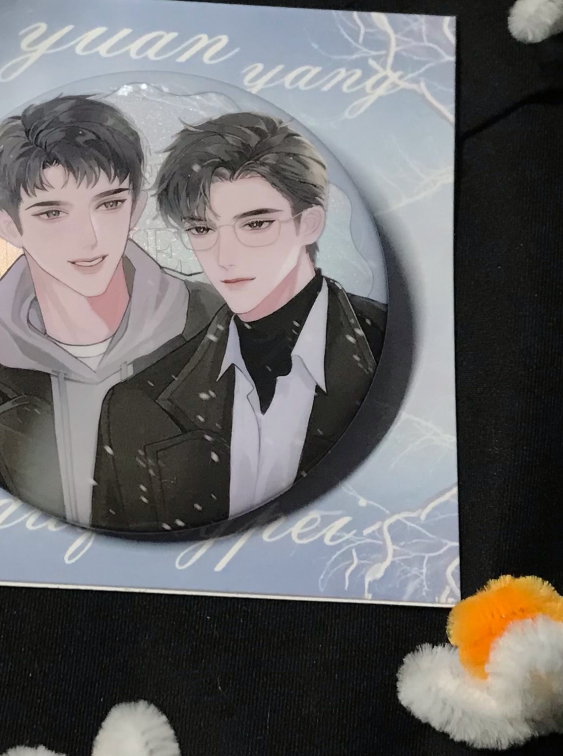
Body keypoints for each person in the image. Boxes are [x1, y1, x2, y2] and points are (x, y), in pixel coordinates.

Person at [0, 94, 221, 527]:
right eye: (52, 213)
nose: (88, 237)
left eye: (109, 204)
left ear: (135, 208)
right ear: (9, 227)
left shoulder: (224, 325)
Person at [93, 111, 386, 534]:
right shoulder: (136, 407)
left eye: (256, 223)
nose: (225, 256)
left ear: (309, 223)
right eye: (202, 229)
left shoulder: (395, 348)